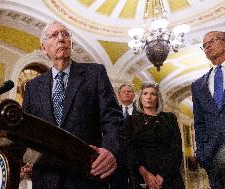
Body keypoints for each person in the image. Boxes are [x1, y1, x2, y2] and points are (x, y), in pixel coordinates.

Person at [22, 21, 124, 189]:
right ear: (43, 47)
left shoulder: (95, 74)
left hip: (87, 173)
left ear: (70, 43)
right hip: (46, 179)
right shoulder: (33, 87)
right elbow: (28, 131)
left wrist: (110, 149)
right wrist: (25, 159)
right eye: (54, 35)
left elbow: (113, 119)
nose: (61, 38)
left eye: (65, 34)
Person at [125, 82, 184, 189]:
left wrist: (162, 175)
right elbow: (130, 151)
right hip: (142, 177)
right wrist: (146, 175)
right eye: (145, 94)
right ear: (140, 98)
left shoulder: (169, 118)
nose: (149, 97)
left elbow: (176, 148)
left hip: (169, 176)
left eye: (153, 94)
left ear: (157, 98)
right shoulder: (131, 121)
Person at [191, 31, 225, 188]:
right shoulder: (198, 85)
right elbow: (199, 122)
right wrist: (202, 153)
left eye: (212, 41)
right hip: (212, 156)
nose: (207, 46)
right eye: (204, 45)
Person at [110, 84, 136, 189]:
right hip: (118, 159)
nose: (126, 93)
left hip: (137, 160)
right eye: (123, 92)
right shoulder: (113, 113)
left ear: (133, 95)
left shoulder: (141, 112)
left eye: (129, 91)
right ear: (119, 96)